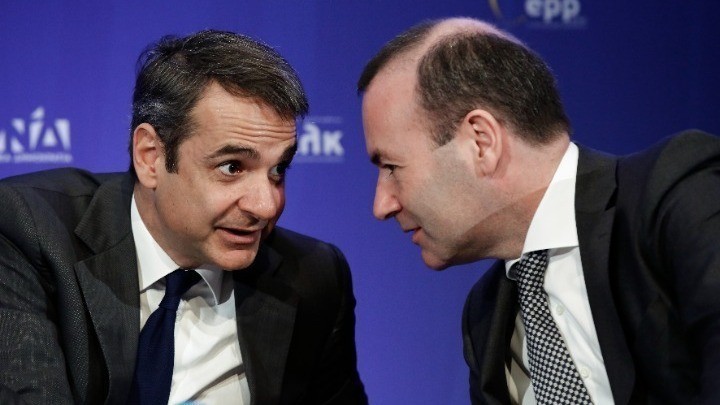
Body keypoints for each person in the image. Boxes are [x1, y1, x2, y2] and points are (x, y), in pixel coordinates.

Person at [358, 17, 720, 404]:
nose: (381, 205)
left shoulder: (673, 194)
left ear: (481, 142)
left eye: (391, 167)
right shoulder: (485, 319)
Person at [0, 30, 367, 404]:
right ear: (151, 157)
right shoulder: (29, 231)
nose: (266, 206)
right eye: (232, 167)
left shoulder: (312, 277)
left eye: (278, 170)